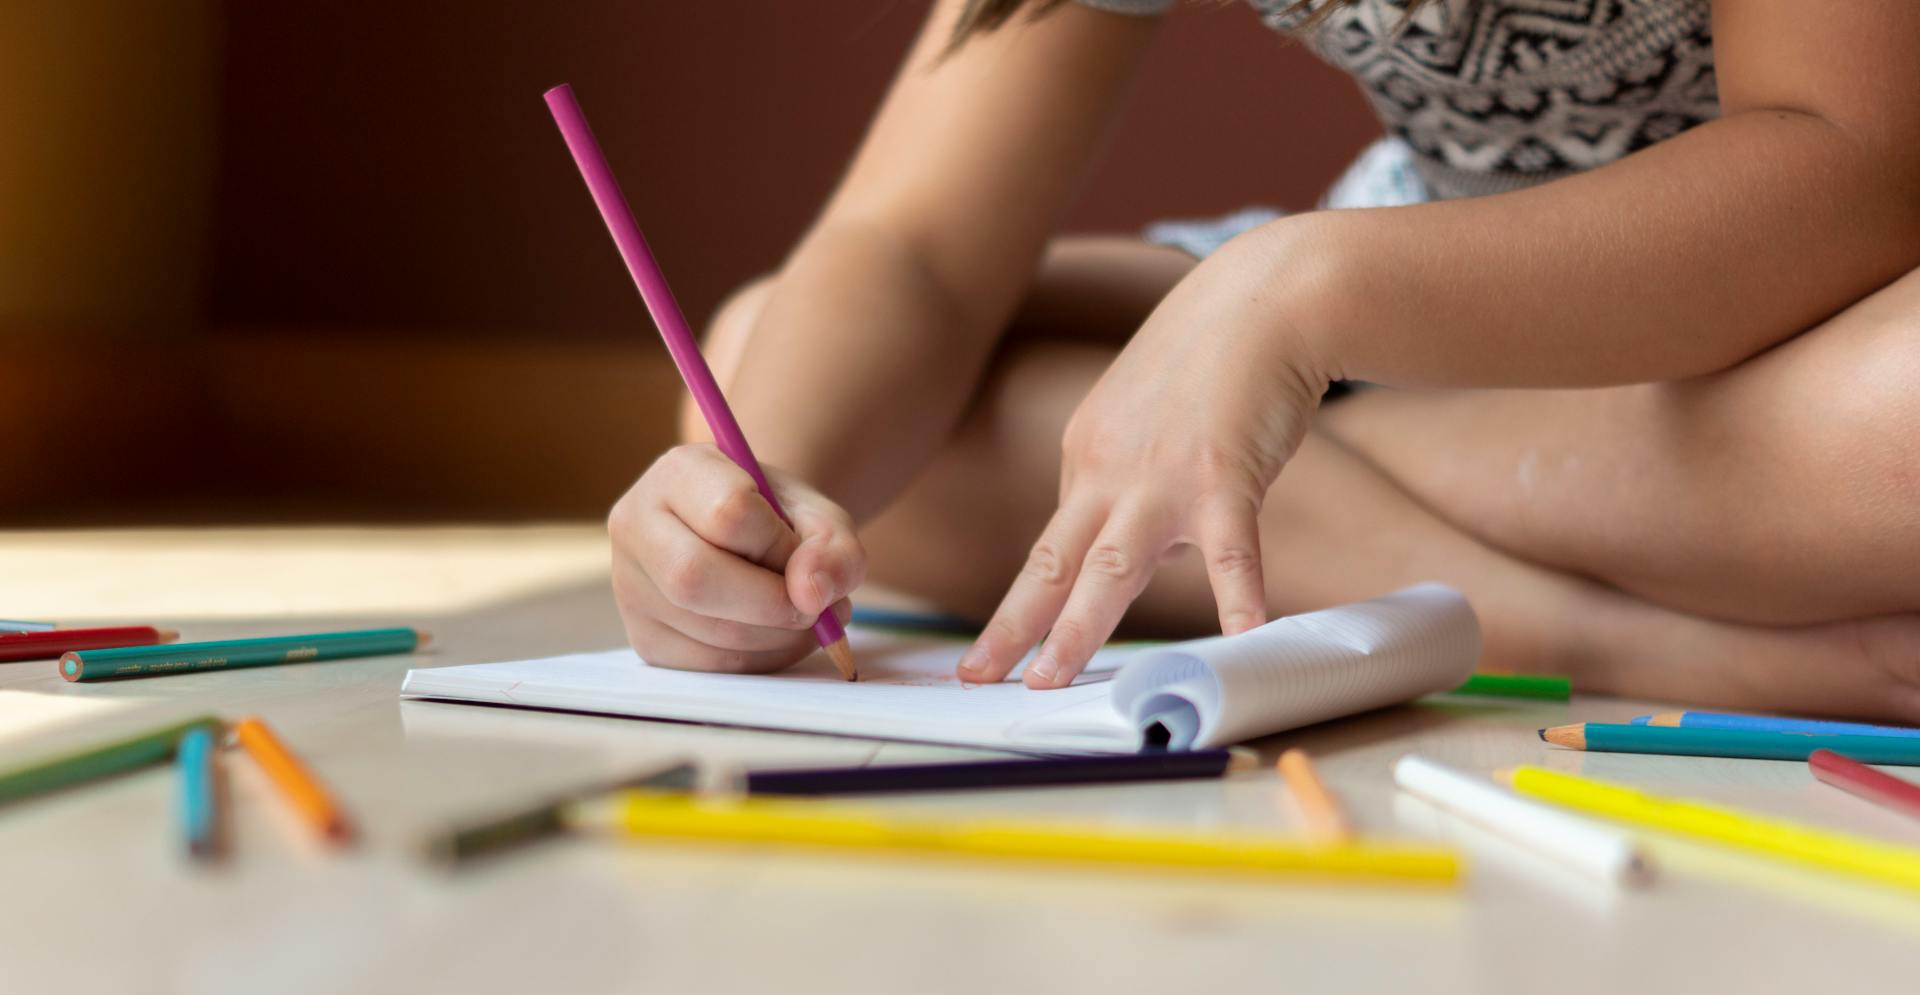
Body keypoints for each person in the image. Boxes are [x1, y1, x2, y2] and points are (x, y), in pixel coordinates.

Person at [608, 0, 1920, 719]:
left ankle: (1304, 455)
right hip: (1429, 288)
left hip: (1825, 310)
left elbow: (1850, 163)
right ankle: (1636, 641)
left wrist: (1297, 298)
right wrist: (754, 514)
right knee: (758, 359)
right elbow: (916, 248)